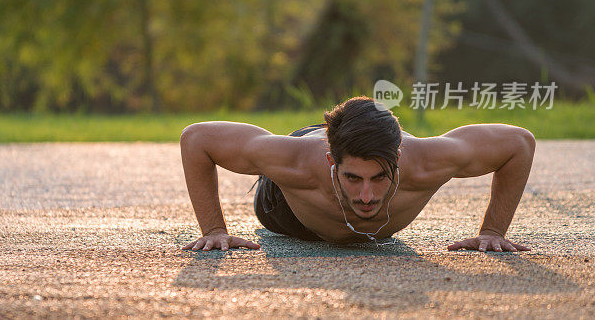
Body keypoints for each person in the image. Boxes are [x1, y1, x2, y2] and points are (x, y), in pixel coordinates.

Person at [180, 96, 534, 252]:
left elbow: (519, 143)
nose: (367, 197)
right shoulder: (291, 160)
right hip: (290, 210)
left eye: (379, 178)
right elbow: (197, 138)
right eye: (353, 178)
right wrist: (214, 230)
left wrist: (493, 231)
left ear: (397, 159)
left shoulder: (430, 160)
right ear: (333, 161)